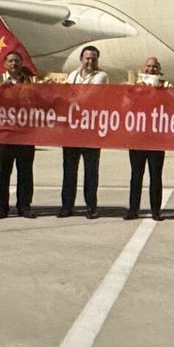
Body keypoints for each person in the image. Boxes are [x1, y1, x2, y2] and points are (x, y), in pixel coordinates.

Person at [61, 45, 108, 218]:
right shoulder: (72, 75)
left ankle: (91, 206)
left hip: (90, 131)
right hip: (71, 131)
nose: (90, 61)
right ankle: (67, 206)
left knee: (91, 172)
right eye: (87, 58)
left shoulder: (101, 76)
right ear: (81, 59)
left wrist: (69, 97)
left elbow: (90, 97)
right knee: (69, 171)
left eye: (94, 58)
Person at [0, 51, 38, 220]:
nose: (14, 64)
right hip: (4, 134)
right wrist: (0, 90)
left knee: (25, 172)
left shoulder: (30, 80)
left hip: (25, 133)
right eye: (11, 61)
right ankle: (0, 207)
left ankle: (24, 206)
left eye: (17, 61)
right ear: (5, 64)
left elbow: (39, 99)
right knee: (3, 172)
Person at [126, 56, 168, 220]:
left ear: (159, 69)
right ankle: (133, 209)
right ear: (144, 68)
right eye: (148, 66)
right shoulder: (136, 86)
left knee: (155, 175)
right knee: (136, 175)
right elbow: (128, 104)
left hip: (156, 137)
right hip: (138, 137)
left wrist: (158, 90)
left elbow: (171, 103)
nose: (151, 69)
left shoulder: (165, 85)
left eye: (154, 66)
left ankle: (155, 210)